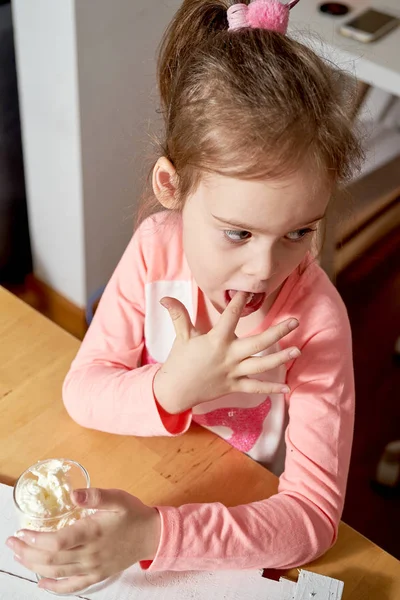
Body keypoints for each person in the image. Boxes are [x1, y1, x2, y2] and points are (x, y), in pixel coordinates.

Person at [6, 0, 364, 594]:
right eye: (238, 232)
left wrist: (153, 536)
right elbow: (82, 388)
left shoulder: (317, 320)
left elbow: (314, 518)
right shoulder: (154, 249)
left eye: (299, 233)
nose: (263, 268)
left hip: (232, 522)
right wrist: (175, 388)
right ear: (172, 187)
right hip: (144, 474)